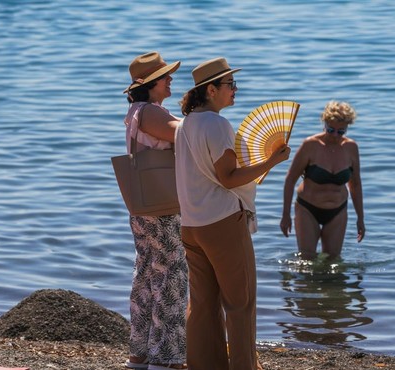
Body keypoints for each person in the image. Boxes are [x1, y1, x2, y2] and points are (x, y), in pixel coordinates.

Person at [174, 57, 290, 370]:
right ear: (211, 90)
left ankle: (202, 365)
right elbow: (228, 177)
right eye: (230, 85)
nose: (235, 90)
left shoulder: (184, 125)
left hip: (190, 224)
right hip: (221, 223)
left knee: (202, 304)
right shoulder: (217, 124)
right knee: (240, 303)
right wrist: (271, 162)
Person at [121, 52, 187, 370]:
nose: (171, 79)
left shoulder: (138, 110)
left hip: (144, 204)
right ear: (151, 84)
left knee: (147, 274)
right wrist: (205, 116)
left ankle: (141, 353)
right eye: (165, 76)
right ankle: (166, 356)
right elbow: (186, 133)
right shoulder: (150, 112)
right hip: (162, 206)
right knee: (171, 275)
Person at [280, 101, 365, 260]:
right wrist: (285, 215)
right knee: (307, 258)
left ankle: (330, 286)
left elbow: (356, 185)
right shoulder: (310, 145)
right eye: (330, 130)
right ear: (324, 124)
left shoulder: (351, 148)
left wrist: (360, 218)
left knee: (333, 260)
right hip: (308, 208)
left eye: (340, 131)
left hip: (337, 210)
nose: (334, 135)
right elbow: (290, 180)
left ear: (347, 127)